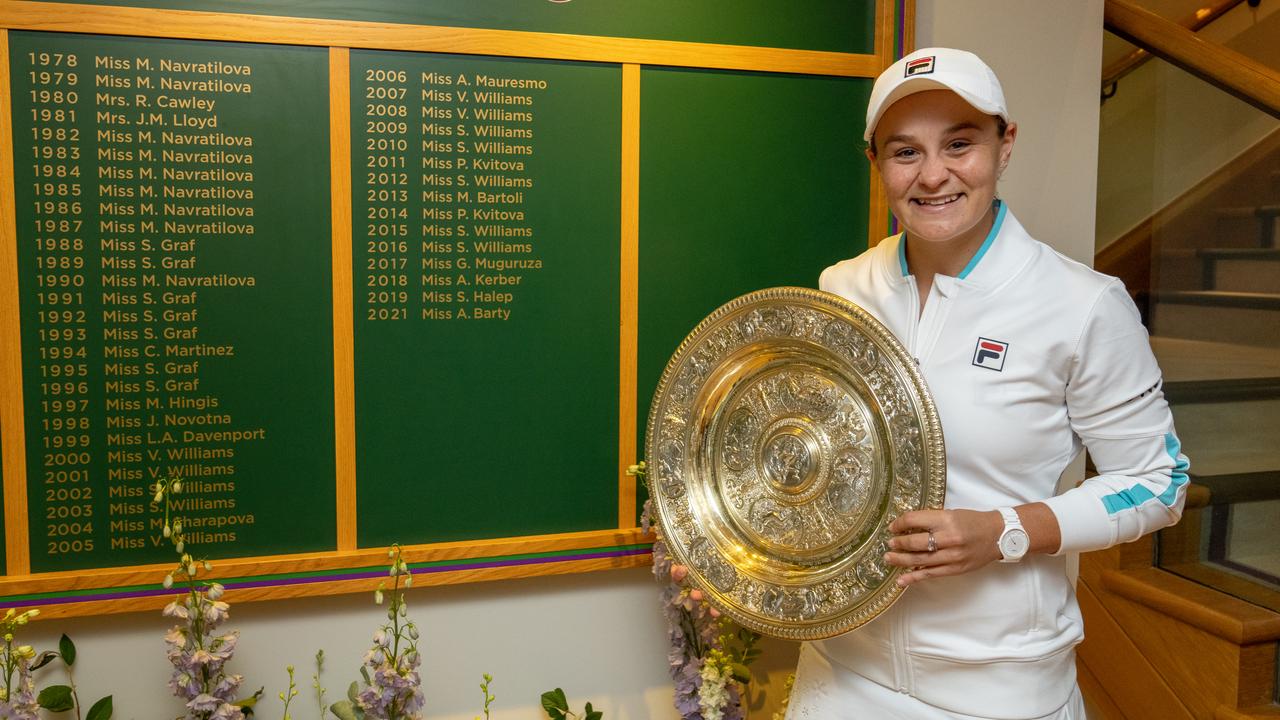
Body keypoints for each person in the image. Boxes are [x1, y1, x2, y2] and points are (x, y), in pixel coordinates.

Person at [786, 48, 1190, 720]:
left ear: (1006, 146)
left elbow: (1157, 484)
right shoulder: (841, 289)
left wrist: (1005, 530)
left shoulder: (1082, 305)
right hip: (839, 676)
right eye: (905, 152)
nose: (934, 174)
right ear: (875, 163)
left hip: (999, 689)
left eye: (960, 144)